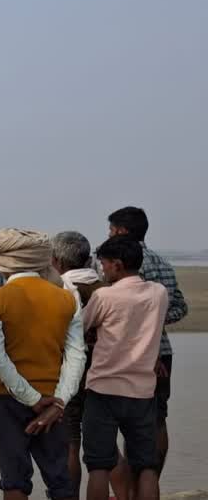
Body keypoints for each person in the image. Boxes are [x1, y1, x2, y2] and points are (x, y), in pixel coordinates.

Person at [0, 228, 85, 500]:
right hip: (53, 399)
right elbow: (76, 356)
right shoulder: (66, 298)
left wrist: (30, 397)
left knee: (14, 480)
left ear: (1, 262)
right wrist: (58, 401)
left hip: (7, 399)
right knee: (60, 479)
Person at [83, 236, 169, 500]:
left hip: (103, 389)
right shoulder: (159, 293)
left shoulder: (103, 296)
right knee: (146, 466)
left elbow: (83, 327)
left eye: (104, 265)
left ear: (117, 265)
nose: (102, 270)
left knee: (98, 465)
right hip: (142, 391)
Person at [107, 206, 186, 479]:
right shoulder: (163, 263)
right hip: (161, 352)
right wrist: (155, 321)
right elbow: (180, 308)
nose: (108, 234)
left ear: (121, 231)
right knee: (156, 418)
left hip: (123, 354)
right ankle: (150, 481)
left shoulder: (114, 261)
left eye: (111, 229)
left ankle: (130, 485)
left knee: (120, 421)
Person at [51, 232, 131, 498]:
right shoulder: (107, 288)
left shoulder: (58, 289)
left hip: (70, 373)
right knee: (108, 446)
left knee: (71, 442)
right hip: (107, 373)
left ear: (57, 261)